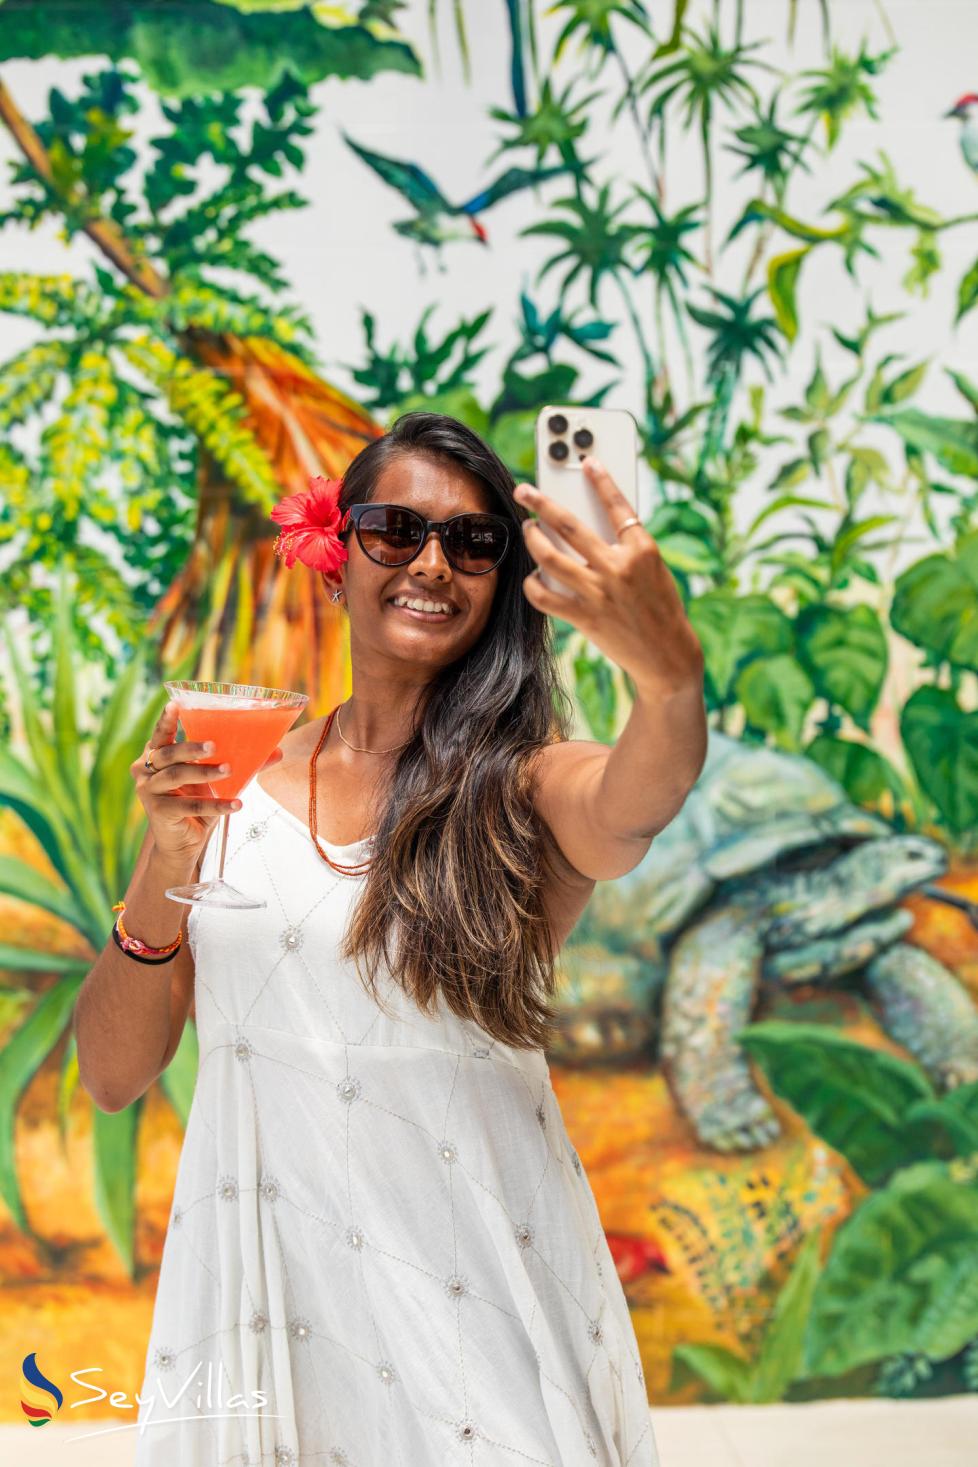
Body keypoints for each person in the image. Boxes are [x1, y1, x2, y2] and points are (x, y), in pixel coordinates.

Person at [74, 411, 706, 1465]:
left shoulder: (524, 787)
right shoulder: (231, 790)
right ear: (336, 562)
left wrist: (670, 677)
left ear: (503, 580)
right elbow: (111, 1073)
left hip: (474, 1331)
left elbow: (639, 798)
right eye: (394, 530)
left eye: (473, 542)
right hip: (274, 1313)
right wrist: (168, 865)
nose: (432, 562)